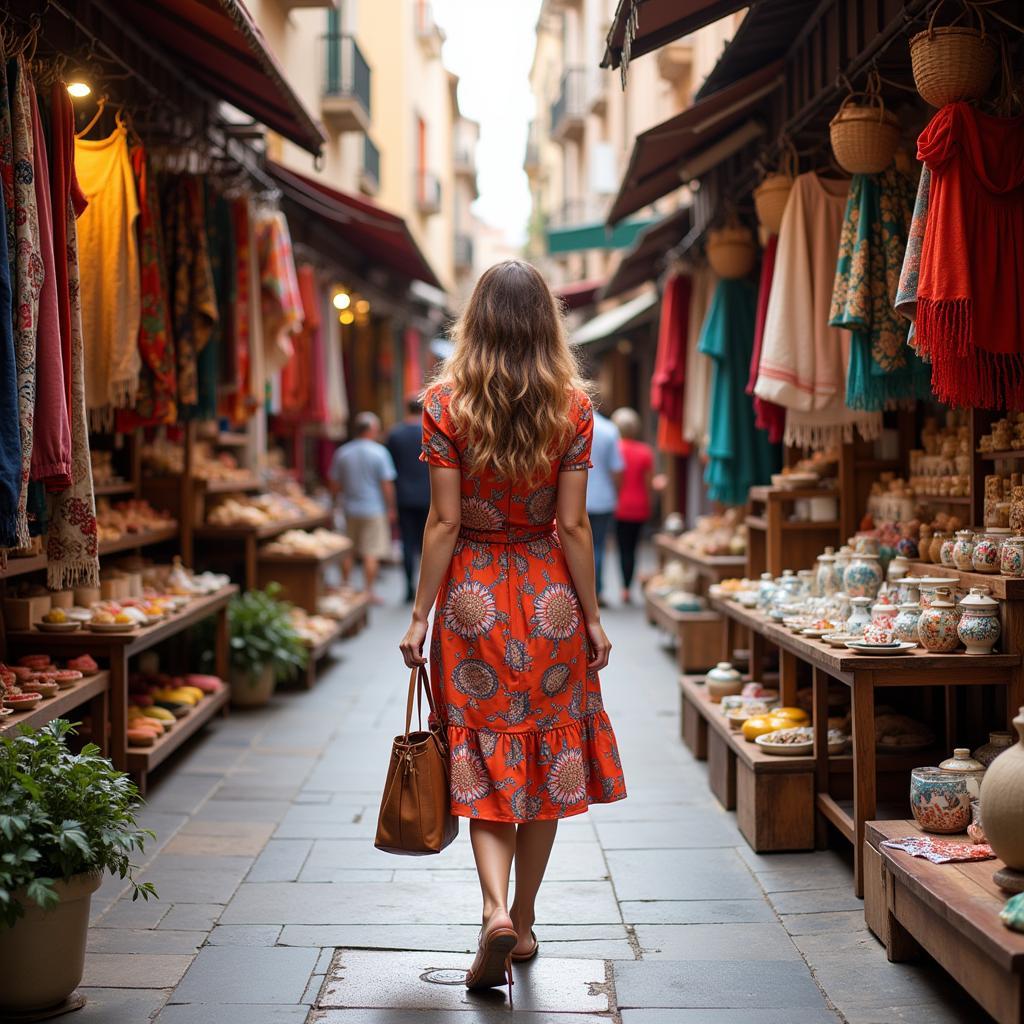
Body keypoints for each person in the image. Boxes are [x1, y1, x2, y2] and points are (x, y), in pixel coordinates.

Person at [399, 260, 626, 997]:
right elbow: (572, 523)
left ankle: (492, 909)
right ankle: (524, 919)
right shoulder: (573, 408)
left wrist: (419, 613)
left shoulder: (443, 403)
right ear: (547, 323)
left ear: (476, 319)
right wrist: (590, 616)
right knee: (546, 757)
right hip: (547, 597)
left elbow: (442, 519)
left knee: (483, 753)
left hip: (473, 601)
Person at [329, 411, 396, 604]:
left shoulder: (343, 452)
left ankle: (346, 586)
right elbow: (386, 484)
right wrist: (390, 507)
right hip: (374, 509)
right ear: (372, 430)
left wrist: (334, 504)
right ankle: (368, 591)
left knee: (347, 550)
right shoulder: (380, 452)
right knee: (371, 552)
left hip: (349, 508)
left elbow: (335, 483)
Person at [386, 396, 431, 602]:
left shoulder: (395, 434)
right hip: (429, 495)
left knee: (407, 543)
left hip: (403, 496)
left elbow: (390, 470)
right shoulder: (429, 431)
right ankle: (427, 589)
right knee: (428, 544)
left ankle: (409, 587)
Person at [611, 407, 655, 604]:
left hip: (620, 505)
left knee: (623, 547)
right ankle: (628, 586)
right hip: (640, 505)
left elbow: (614, 478)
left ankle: (624, 588)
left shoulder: (616, 449)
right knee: (634, 546)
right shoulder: (645, 451)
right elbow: (649, 483)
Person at [586, 406, 624, 604]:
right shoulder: (609, 429)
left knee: (576, 543)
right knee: (598, 546)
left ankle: (581, 590)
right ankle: (596, 592)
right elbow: (617, 468)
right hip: (603, 498)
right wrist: (616, 493)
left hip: (576, 497)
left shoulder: (569, 423)